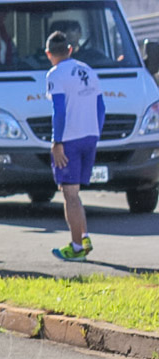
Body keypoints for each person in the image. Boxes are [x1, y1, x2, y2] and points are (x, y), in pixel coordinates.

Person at [46, 31, 104, 262]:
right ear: (70, 50)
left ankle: (77, 247)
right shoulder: (88, 70)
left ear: (49, 54)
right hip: (90, 135)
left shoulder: (55, 74)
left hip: (70, 138)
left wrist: (56, 141)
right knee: (75, 192)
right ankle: (84, 236)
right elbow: (101, 106)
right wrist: (96, 133)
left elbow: (58, 110)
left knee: (69, 194)